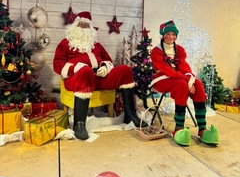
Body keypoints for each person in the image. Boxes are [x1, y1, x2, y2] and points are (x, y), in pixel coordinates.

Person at [53, 11, 147, 140]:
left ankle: (130, 114)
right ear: (75, 26)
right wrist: (75, 67)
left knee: (125, 70)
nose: (83, 28)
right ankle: (79, 124)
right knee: (85, 71)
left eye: (86, 26)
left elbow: (108, 60)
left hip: (97, 78)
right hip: (76, 79)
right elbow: (57, 65)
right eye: (81, 25)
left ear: (90, 28)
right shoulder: (65, 43)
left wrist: (104, 67)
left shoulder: (96, 45)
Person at [150, 20, 219, 146]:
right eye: (168, 34)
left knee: (198, 84)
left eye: (173, 34)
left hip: (179, 78)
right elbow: (166, 70)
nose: (171, 37)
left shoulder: (179, 49)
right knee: (182, 85)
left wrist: (190, 79)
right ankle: (179, 129)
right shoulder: (156, 51)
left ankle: (202, 129)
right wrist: (186, 80)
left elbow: (183, 66)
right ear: (162, 35)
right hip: (161, 79)